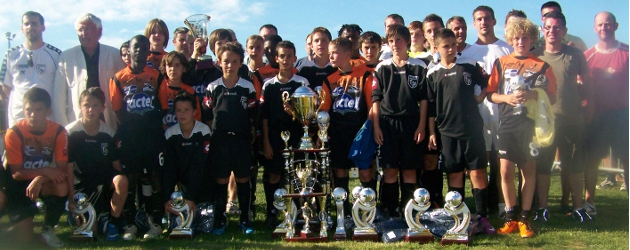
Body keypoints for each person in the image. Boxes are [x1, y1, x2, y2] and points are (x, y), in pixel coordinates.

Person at [487, 18, 557, 238]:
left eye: (524, 37)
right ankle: (510, 217)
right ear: (510, 39)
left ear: (532, 39)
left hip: (530, 126)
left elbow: (552, 96)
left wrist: (533, 94)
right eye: (516, 38)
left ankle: (525, 218)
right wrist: (507, 98)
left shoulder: (542, 66)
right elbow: (491, 94)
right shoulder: (500, 62)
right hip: (507, 124)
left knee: (528, 171)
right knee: (506, 171)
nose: (520, 41)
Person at [427, 28, 494, 235]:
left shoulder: (470, 65)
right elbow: (430, 106)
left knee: (477, 172)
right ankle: (459, 215)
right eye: (446, 46)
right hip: (447, 131)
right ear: (437, 48)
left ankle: (483, 216)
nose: (451, 49)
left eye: (454, 45)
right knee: (454, 174)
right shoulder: (432, 73)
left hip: (472, 129)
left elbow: (489, 82)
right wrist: (431, 132)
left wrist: (480, 96)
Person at [532, 11, 593, 222]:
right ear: (543, 29)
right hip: (545, 123)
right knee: (543, 166)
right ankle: (542, 208)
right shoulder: (535, 55)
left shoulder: (575, 54)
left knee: (574, 166)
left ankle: (578, 207)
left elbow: (587, 85)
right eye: (548, 27)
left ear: (564, 31)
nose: (552, 31)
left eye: (557, 28)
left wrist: (589, 109)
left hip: (572, 120)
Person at [109, 35, 165, 240]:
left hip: (152, 136)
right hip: (131, 137)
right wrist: (133, 127)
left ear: (148, 50)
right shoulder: (118, 78)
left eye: (144, 47)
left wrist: (149, 125)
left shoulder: (157, 75)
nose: (140, 51)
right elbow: (117, 110)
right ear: (128, 51)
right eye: (136, 47)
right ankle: (131, 223)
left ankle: (156, 221)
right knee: (131, 178)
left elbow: (163, 106)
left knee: (154, 176)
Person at [372, 24, 427, 217]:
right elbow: (376, 99)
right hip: (387, 124)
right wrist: (377, 126)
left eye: (399, 40)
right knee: (389, 169)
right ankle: (389, 209)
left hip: (411, 123)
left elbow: (424, 99)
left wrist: (421, 125)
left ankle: (409, 210)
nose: (395, 44)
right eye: (391, 41)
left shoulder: (419, 66)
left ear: (408, 42)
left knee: (409, 170)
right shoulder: (382, 67)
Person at [203, 43, 257, 235]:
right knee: (221, 179)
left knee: (243, 178)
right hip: (220, 141)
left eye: (234, 62)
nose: (230, 65)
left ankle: (244, 219)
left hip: (241, 141)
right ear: (219, 62)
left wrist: (248, 133)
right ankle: (219, 219)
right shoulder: (213, 87)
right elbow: (207, 115)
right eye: (226, 61)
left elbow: (252, 115)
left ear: (240, 63)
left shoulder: (247, 87)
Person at [4, 87, 68, 247]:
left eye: (38, 110)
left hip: (41, 181)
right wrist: (45, 171)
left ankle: (48, 229)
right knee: (23, 237)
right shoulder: (14, 132)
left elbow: (61, 169)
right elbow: (16, 173)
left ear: (48, 111)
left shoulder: (59, 132)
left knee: (61, 186)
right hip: (16, 185)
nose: (32, 115)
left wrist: (41, 177)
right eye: (29, 110)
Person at [465, 5, 513, 216]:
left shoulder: (507, 49)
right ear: (474, 24)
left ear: (494, 21)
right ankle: (483, 208)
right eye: (479, 19)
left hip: (503, 112)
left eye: (487, 18)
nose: (483, 22)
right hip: (479, 114)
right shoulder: (467, 54)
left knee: (502, 162)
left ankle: (504, 205)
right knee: (481, 162)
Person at [66, 87, 128, 241]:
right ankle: (77, 214)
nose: (90, 109)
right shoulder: (70, 133)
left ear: (102, 108)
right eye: (86, 105)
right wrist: (71, 196)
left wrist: (117, 189)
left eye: (95, 106)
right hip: (81, 184)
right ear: (80, 107)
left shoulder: (109, 133)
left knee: (122, 180)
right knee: (90, 232)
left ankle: (113, 222)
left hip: (103, 181)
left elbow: (116, 165)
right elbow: (67, 168)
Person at [320, 37, 373, 216]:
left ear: (347, 53)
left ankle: (368, 210)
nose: (331, 56)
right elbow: (324, 111)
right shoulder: (329, 80)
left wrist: (369, 130)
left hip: (359, 132)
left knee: (365, 172)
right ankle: (343, 212)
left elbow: (372, 106)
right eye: (329, 54)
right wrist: (324, 132)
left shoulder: (365, 75)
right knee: (340, 171)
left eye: (334, 52)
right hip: (337, 132)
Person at [583, 11, 629, 213]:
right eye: (600, 25)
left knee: (627, 159)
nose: (604, 28)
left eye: (608, 24)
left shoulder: (627, 53)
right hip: (597, 116)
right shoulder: (587, 56)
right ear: (595, 28)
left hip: (622, 115)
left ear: (616, 26)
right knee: (592, 160)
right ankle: (589, 203)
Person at [259, 41, 308, 228]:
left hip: (296, 135)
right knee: (274, 174)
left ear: (295, 59)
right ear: (276, 59)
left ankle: (299, 213)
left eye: (289, 56)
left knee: (297, 175)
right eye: (282, 56)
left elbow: (307, 117)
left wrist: (293, 113)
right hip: (274, 136)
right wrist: (266, 142)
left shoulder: (302, 83)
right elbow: (264, 117)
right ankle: (272, 213)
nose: (285, 60)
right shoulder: (269, 86)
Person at [53, 13, 126, 129]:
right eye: (80, 30)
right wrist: (63, 128)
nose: (84, 34)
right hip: (77, 122)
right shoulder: (66, 57)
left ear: (99, 31)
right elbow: (59, 97)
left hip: (108, 121)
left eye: (87, 29)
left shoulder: (115, 55)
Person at [1, 11, 62, 127]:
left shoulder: (56, 54)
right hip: (19, 117)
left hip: (48, 117)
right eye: (27, 24)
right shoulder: (11, 54)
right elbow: (6, 87)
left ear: (43, 27)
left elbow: (62, 87)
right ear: (22, 28)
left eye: (34, 23)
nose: (30, 27)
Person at [163, 91, 211, 222]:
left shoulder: (204, 131)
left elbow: (200, 165)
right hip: (182, 183)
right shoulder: (170, 133)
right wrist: (168, 198)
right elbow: (169, 168)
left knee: (204, 223)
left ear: (195, 111)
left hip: (203, 182)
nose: (182, 114)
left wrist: (190, 197)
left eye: (186, 110)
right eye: (178, 110)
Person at [158, 51, 201, 129]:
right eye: (169, 65)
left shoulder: (189, 91)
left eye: (177, 65)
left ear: (184, 68)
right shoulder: (159, 88)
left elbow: (197, 116)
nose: (173, 69)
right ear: (164, 68)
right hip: (162, 133)